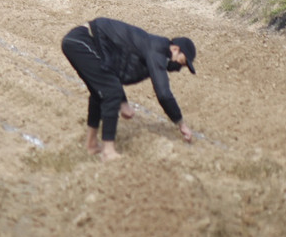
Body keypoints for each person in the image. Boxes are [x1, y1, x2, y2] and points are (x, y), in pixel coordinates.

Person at [60, 18, 197, 161]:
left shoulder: (149, 50)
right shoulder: (156, 51)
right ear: (175, 49)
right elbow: (163, 94)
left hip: (84, 42)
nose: (179, 68)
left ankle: (91, 144)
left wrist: (123, 101)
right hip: (83, 41)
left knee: (100, 92)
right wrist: (181, 123)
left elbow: (114, 71)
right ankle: (108, 151)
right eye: (181, 62)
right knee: (110, 92)